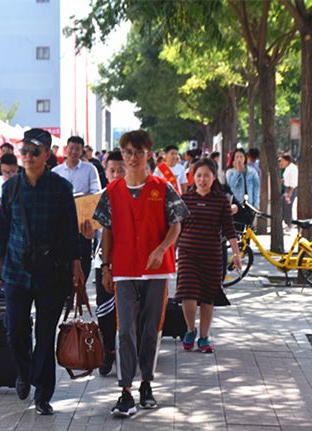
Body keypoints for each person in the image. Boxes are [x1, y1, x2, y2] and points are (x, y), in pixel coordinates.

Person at [0, 128, 86, 416]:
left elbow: (71, 232)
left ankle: (43, 393)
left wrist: (76, 265)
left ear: (47, 154)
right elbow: (3, 227)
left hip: (52, 270)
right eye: (25, 152)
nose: (28, 157)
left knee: (45, 335)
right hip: (16, 269)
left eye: (35, 152)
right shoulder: (11, 188)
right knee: (15, 328)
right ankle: (23, 371)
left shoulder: (60, 188)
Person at [93, 130, 188, 418]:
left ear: (149, 154)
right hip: (123, 269)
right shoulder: (112, 192)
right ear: (122, 155)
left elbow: (177, 224)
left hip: (156, 272)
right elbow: (106, 230)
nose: (132, 158)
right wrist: (106, 266)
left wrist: (161, 249)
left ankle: (146, 383)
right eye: (127, 153)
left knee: (151, 330)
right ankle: (125, 391)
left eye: (138, 152)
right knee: (126, 331)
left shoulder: (162, 187)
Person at [176, 158, 241, 355]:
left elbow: (229, 230)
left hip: (212, 255)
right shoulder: (185, 199)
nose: (202, 179)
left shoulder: (221, 200)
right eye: (198, 175)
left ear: (214, 177)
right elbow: (176, 228)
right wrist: (168, 252)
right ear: (193, 177)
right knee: (187, 294)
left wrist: (236, 254)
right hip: (188, 254)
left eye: (206, 175)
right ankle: (190, 330)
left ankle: (204, 337)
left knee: (207, 297)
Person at [86, 150, 126, 377]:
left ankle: (130, 352)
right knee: (105, 312)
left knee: (129, 312)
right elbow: (92, 236)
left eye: (121, 170)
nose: (117, 174)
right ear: (105, 172)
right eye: (112, 170)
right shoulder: (99, 198)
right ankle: (108, 351)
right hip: (103, 264)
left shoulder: (134, 196)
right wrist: (88, 232)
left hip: (130, 264)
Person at [52, 136, 101, 283]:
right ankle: (67, 291)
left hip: (82, 220)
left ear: (82, 151)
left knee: (83, 255)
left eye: (77, 149)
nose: (74, 152)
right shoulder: (56, 171)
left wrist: (80, 198)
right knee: (63, 256)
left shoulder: (90, 169)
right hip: (62, 222)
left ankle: (80, 287)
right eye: (71, 148)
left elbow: (95, 192)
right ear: (66, 149)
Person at [279, 153, 298, 231]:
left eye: (282, 160)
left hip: (291, 189)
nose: (281, 162)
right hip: (287, 188)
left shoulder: (292, 168)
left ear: (287, 160)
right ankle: (288, 222)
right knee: (285, 206)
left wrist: (290, 192)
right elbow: (287, 178)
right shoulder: (287, 168)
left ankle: (290, 223)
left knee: (288, 206)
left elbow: (293, 181)